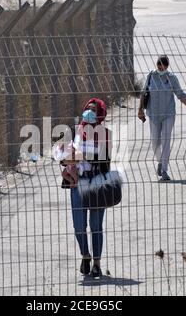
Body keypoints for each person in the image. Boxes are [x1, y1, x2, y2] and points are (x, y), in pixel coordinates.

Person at [62, 98, 111, 279]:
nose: (89, 112)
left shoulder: (105, 134)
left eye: (93, 109)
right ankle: (85, 255)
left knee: (96, 226)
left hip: (97, 183)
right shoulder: (76, 131)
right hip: (77, 183)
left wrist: (80, 155)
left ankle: (97, 263)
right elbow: (66, 155)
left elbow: (104, 160)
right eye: (88, 108)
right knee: (79, 226)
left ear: (100, 113)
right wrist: (67, 157)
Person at [138, 55, 186, 181]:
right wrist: (140, 110)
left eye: (163, 65)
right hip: (153, 114)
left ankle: (164, 170)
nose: (161, 67)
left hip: (168, 114)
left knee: (166, 141)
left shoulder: (172, 78)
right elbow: (144, 93)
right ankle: (160, 161)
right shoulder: (151, 76)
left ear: (167, 66)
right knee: (155, 143)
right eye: (159, 65)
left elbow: (181, 95)